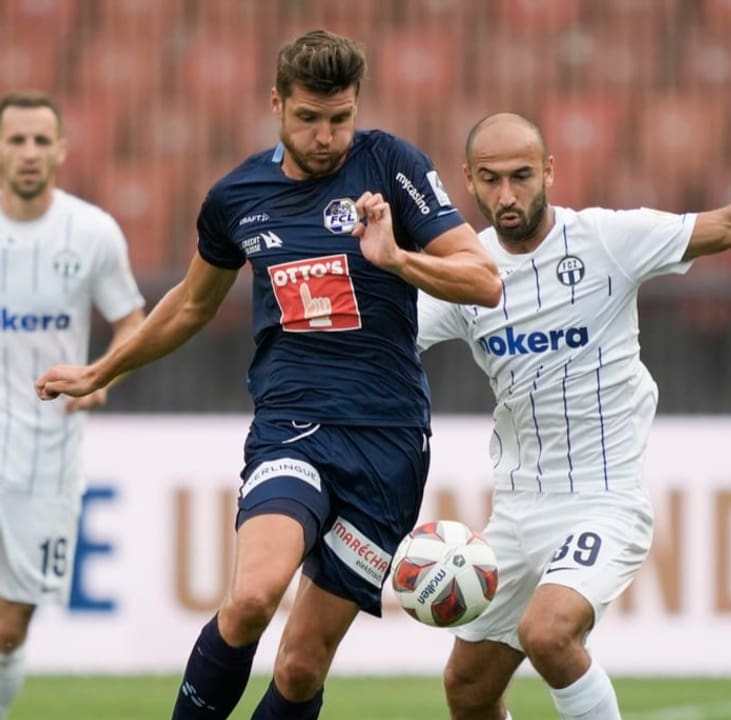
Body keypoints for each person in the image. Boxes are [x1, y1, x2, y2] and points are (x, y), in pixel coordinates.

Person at [35, 30, 501, 720]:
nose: (325, 136)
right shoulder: (238, 197)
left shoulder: (391, 166)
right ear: (276, 104)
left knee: (301, 664)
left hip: (389, 444)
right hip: (292, 427)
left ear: (357, 107)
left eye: (339, 119)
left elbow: (484, 279)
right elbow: (192, 303)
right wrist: (103, 368)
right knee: (252, 597)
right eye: (308, 119)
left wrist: (398, 259)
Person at [417, 112, 731, 720]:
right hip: (515, 511)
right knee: (467, 687)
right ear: (468, 180)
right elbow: (380, 346)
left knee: (548, 633)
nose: (507, 195)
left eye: (522, 175)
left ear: (549, 170)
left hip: (602, 502)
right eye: (491, 180)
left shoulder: (606, 240)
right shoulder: (468, 276)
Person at [0, 90, 146, 719]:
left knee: (8, 630)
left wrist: (102, 371)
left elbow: (131, 320)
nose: (29, 153)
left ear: (60, 149)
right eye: (15, 140)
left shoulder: (90, 233)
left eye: (40, 140)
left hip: (45, 454)